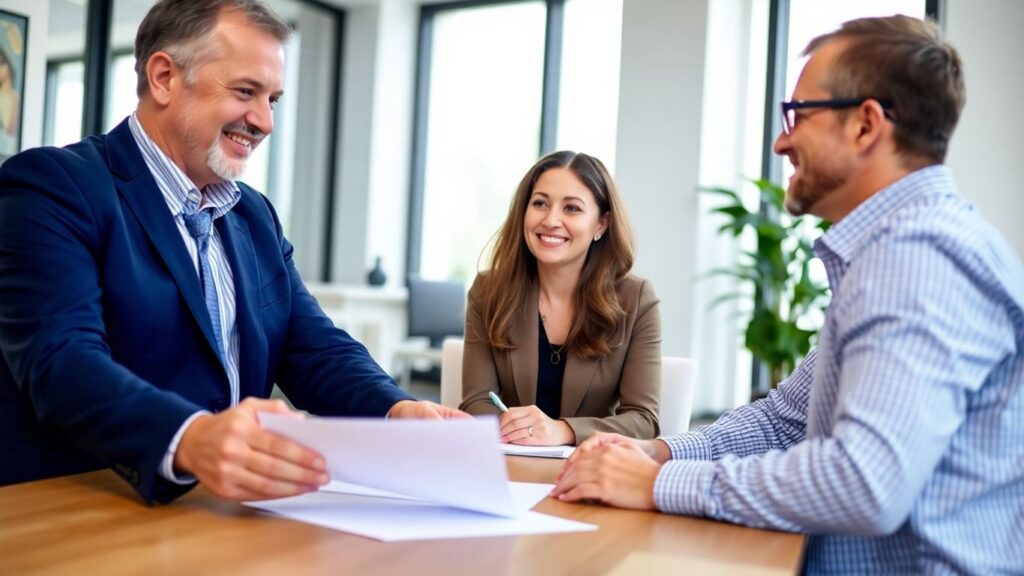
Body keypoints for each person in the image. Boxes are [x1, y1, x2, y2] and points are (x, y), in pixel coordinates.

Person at [552, 15, 1023, 574]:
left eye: (798, 114)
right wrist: (659, 451)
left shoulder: (918, 255)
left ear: (865, 125)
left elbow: (863, 483)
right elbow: (783, 419)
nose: (781, 141)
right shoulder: (894, 248)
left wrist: (658, 483)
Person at [0, 0, 465, 505]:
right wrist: (192, 438)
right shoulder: (53, 187)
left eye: (273, 100)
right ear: (164, 77)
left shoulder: (254, 214)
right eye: (246, 91)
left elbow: (314, 348)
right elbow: (63, 362)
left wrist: (397, 411)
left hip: (222, 510)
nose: (264, 121)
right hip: (86, 503)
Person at [460, 151, 661, 446]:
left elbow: (644, 419)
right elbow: (476, 402)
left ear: (601, 224)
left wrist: (563, 430)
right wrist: (520, 432)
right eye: (540, 203)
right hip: (512, 460)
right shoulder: (488, 290)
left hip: (591, 464)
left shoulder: (636, 299)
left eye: (572, 208)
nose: (551, 220)